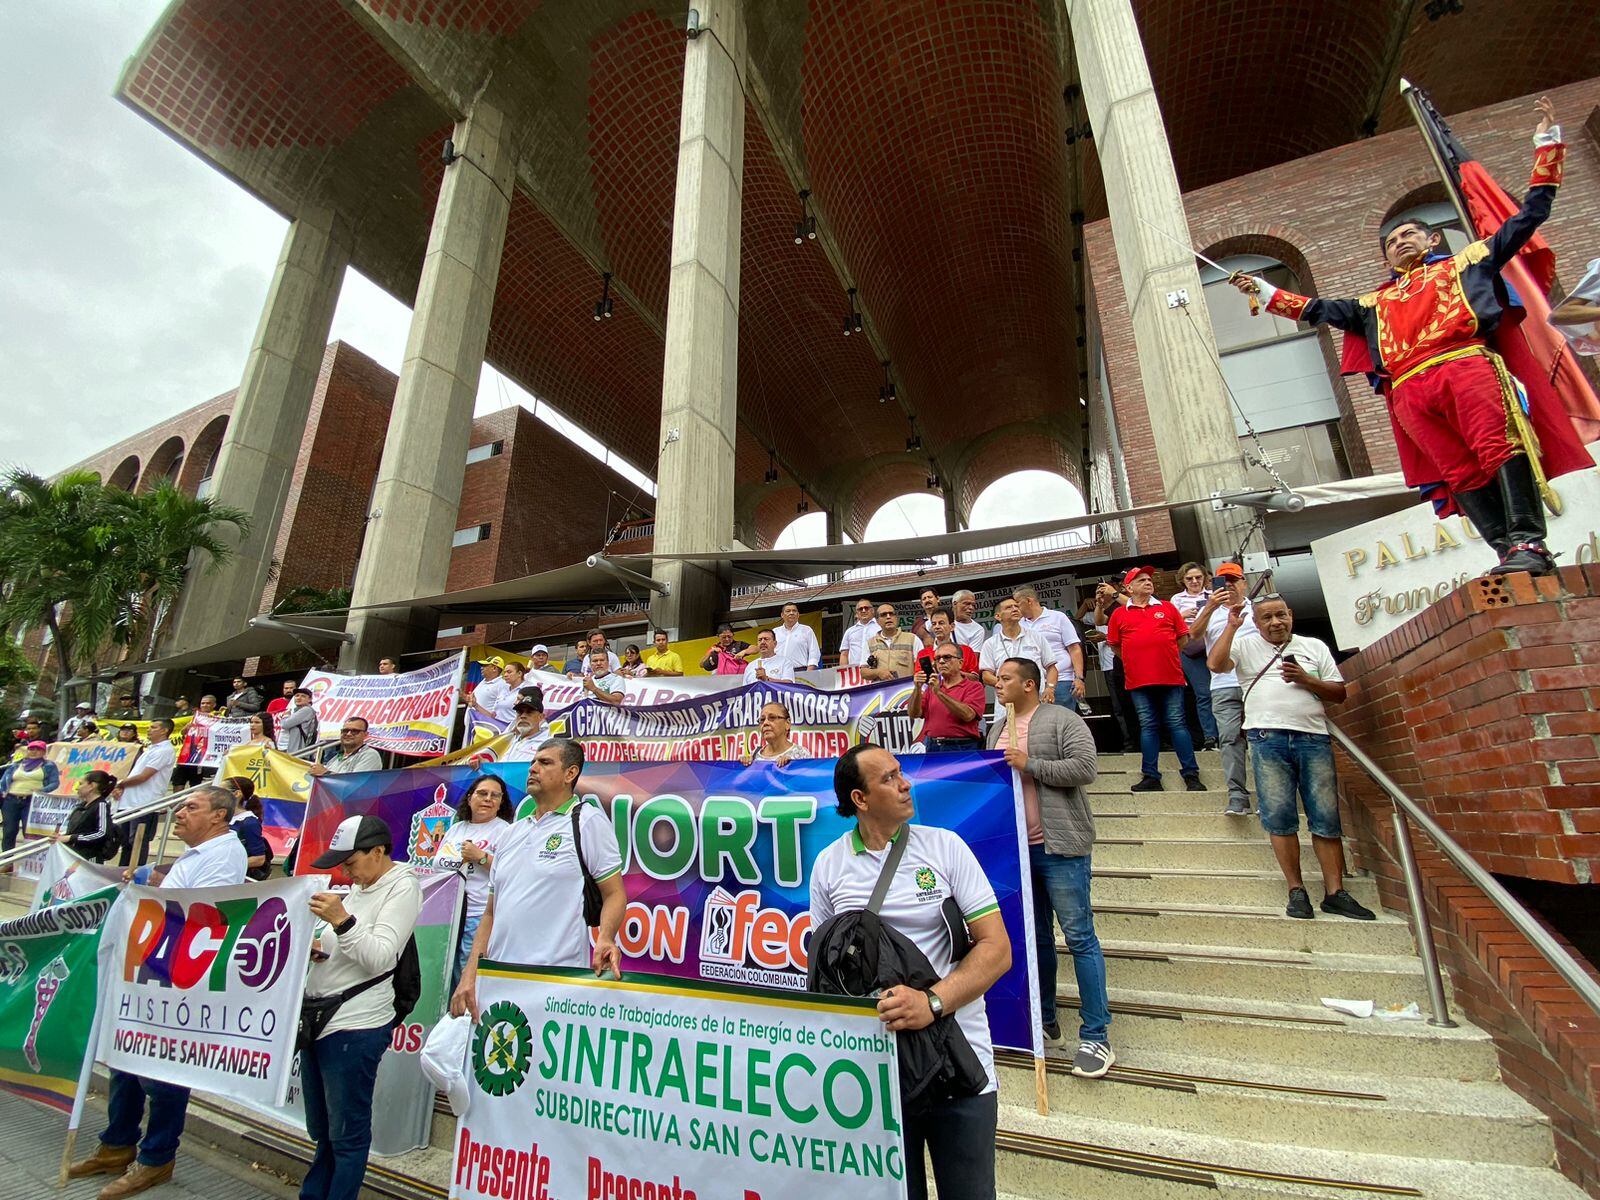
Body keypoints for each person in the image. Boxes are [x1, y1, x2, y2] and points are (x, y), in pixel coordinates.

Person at [1230, 98, 1584, 577]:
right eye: (1391, 242)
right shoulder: (1373, 303)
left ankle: (1530, 542)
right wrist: (1264, 290)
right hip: (1410, 389)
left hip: (1465, 364)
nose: (1399, 243)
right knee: (1458, 471)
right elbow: (1315, 309)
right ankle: (1507, 552)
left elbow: (1529, 216)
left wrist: (1547, 144)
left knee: (1498, 446)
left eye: (1408, 235)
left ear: (1432, 240)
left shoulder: (1469, 261)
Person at [810, 744, 1011, 1200]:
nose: (906, 784)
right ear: (859, 800)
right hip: (875, 1075)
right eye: (889, 778)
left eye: (902, 773)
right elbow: (826, 974)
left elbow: (997, 949)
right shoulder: (829, 866)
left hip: (959, 1064)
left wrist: (932, 1002)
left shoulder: (945, 847)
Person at [70, 785, 247, 1198]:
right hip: (149, 972)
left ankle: (156, 1157)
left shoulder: (225, 854)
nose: (179, 814)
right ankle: (116, 1144)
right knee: (125, 1060)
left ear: (219, 816)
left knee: (164, 1073)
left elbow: (201, 913)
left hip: (177, 981)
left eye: (191, 807)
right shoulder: (199, 852)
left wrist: (152, 887)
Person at [1208, 595, 1376, 922]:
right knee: (1279, 816)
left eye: (1280, 615)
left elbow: (1339, 693)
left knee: (1326, 816)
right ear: (1256, 623)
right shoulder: (1245, 646)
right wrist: (1231, 627)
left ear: (1291, 615)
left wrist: (1306, 679)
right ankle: (1296, 890)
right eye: (1267, 617)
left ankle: (1335, 892)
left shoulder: (1313, 646)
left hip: (1313, 736)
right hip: (1266, 738)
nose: (1275, 622)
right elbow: (1215, 664)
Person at [990, 658, 1114, 1077]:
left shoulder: (1061, 719)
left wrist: (1030, 765)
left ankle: (1096, 1035)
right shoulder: (997, 728)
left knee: (1080, 937)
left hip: (1060, 847)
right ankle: (1045, 1021)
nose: (998, 684)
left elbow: (1085, 769)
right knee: (1037, 939)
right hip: (1018, 853)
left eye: (1005, 678)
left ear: (1028, 684)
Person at [452, 740, 627, 1020]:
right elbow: (490, 913)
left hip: (556, 985)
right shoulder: (511, 833)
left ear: (570, 774)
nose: (533, 768)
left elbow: (614, 893)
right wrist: (470, 974)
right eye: (534, 762)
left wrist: (605, 937)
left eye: (545, 763)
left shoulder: (587, 822)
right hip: (498, 981)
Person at [303, 814, 422, 1200]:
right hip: (319, 1021)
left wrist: (340, 920)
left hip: (356, 1026)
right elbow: (348, 945)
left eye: (351, 861)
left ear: (378, 851)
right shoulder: (358, 887)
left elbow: (381, 957)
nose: (345, 870)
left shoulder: (402, 887)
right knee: (323, 1130)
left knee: (347, 1135)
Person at [1106, 567, 1203, 793]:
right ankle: (1151, 776)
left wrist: (1164, 655)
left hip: (1170, 677)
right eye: (1141, 580)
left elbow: (1182, 638)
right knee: (1148, 726)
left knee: (1177, 725)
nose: (1148, 582)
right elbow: (1114, 645)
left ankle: (1191, 774)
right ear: (1129, 588)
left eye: (1149, 579)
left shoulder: (1167, 608)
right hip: (1139, 680)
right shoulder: (1119, 614)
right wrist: (1136, 659)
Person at [1184, 562, 1259, 815]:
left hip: (1255, 682)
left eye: (1234, 580)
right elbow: (1192, 635)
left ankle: (1268, 793)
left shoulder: (1257, 609)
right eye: (1222, 581)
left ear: (1243, 583)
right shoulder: (1209, 610)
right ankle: (1237, 795)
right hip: (1223, 684)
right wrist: (1211, 606)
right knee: (1229, 739)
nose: (1228, 585)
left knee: (1261, 739)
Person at [437, 774, 514, 984]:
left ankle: (464, 1017)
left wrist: (480, 857)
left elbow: (511, 873)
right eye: (482, 793)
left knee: (466, 973)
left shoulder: (506, 832)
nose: (488, 799)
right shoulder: (456, 829)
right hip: (446, 915)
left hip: (477, 914)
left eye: (495, 795)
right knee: (442, 974)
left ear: (500, 804)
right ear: (470, 797)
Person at [1168, 563, 1219, 750]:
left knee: (1224, 691)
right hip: (1190, 650)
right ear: (1183, 580)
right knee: (1204, 693)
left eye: (1198, 577)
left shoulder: (1214, 595)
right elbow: (1167, 625)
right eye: (1189, 578)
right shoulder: (1177, 599)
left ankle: (1230, 735)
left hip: (1216, 646)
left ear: (1205, 578)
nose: (1195, 581)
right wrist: (1182, 615)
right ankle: (1210, 737)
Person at [116, 718, 177, 867]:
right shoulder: (150, 749)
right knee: (126, 843)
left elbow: (144, 776)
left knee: (138, 840)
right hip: (130, 801)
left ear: (164, 730)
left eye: (154, 727)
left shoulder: (164, 750)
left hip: (145, 802)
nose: (149, 730)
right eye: (149, 727)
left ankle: (135, 873)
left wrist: (120, 783)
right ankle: (122, 871)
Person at [1016, 584, 1086, 712]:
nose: (1016, 608)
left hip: (1062, 680)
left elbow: (1074, 648)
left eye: (1017, 604)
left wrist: (1079, 678)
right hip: (1031, 684)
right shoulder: (1019, 624)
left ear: (1029, 601)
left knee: (1063, 724)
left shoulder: (1058, 617)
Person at [910, 644, 985, 750]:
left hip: (962, 746)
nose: (941, 661)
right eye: (937, 658)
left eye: (947, 657)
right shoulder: (932, 687)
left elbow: (968, 715)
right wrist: (917, 689)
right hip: (933, 745)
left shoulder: (974, 686)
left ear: (960, 663)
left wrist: (939, 693)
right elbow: (914, 714)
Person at [979, 597, 1056, 694]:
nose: (1015, 609)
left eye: (1016, 606)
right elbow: (986, 676)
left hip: (1036, 701)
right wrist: (1010, 686)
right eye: (1009, 607)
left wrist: (1050, 688)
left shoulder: (1036, 637)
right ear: (998, 616)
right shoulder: (990, 643)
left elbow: (1051, 668)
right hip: (1005, 704)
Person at [1, 740, 60, 863]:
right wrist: (3, 791)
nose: (34, 752)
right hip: (11, 799)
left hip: (32, 801)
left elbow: (55, 783)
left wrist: (42, 790)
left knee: (29, 832)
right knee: (9, 831)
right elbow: (3, 780)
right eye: (31, 749)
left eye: (38, 749)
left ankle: (30, 863)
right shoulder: (16, 765)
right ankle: (7, 862)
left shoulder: (49, 766)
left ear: (44, 752)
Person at [60, 769, 119, 863]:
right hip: (74, 856)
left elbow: (102, 833)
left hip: (89, 860)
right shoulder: (81, 806)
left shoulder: (101, 805)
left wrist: (71, 838)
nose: (77, 788)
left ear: (92, 786)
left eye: (80, 784)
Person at [222, 776, 271, 879]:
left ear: (236, 794)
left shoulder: (249, 822)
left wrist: (227, 867)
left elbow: (259, 858)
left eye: (221, 791)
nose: (214, 795)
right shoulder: (218, 817)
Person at [913, 607, 980, 678]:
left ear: (952, 626)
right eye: (934, 624)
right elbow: (919, 681)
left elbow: (975, 678)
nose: (937, 627)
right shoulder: (923, 654)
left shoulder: (967, 651)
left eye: (941, 623)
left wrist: (953, 671)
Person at [308, 717, 383, 776]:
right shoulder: (335, 759)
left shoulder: (370, 755)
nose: (348, 734)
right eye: (345, 731)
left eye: (355, 731)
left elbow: (357, 785)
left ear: (365, 735)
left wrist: (325, 773)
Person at [861, 603, 918, 681]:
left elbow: (921, 667)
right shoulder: (870, 643)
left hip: (905, 691)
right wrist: (878, 672)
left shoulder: (912, 639)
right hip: (880, 691)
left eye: (891, 614)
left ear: (896, 618)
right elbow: (863, 672)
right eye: (884, 615)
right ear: (877, 621)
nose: (888, 617)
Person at [740, 701, 803, 766]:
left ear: (787, 723)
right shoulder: (754, 756)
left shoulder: (801, 755)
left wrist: (793, 766)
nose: (765, 723)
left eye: (772, 717)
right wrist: (742, 766)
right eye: (762, 719)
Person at [500, 694, 555, 761]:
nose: (523, 716)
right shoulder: (510, 741)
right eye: (520, 712)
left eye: (529, 712)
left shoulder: (548, 744)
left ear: (541, 717)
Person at [773, 602, 821, 671]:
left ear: (798, 615)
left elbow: (814, 652)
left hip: (801, 671)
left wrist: (809, 672)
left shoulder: (806, 630)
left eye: (794, 611)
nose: (791, 613)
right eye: (788, 611)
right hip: (778, 671)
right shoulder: (775, 632)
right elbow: (770, 652)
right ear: (782, 615)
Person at [838, 598, 881, 667]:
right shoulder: (849, 631)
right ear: (857, 613)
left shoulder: (880, 628)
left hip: (876, 670)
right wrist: (844, 671)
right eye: (860, 609)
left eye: (866, 608)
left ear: (872, 610)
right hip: (854, 672)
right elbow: (844, 654)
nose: (863, 611)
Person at [278, 687, 319, 755]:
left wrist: (285, 716)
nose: (299, 698)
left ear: (310, 699)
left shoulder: (307, 710)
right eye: (297, 695)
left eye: (303, 696)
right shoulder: (296, 711)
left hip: (297, 752)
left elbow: (285, 724)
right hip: (289, 750)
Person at [491, 661, 529, 726]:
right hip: (497, 729)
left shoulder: (527, 690)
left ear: (519, 673)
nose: (505, 675)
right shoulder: (503, 689)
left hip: (513, 731)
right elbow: (493, 715)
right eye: (504, 672)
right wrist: (476, 705)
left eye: (509, 672)